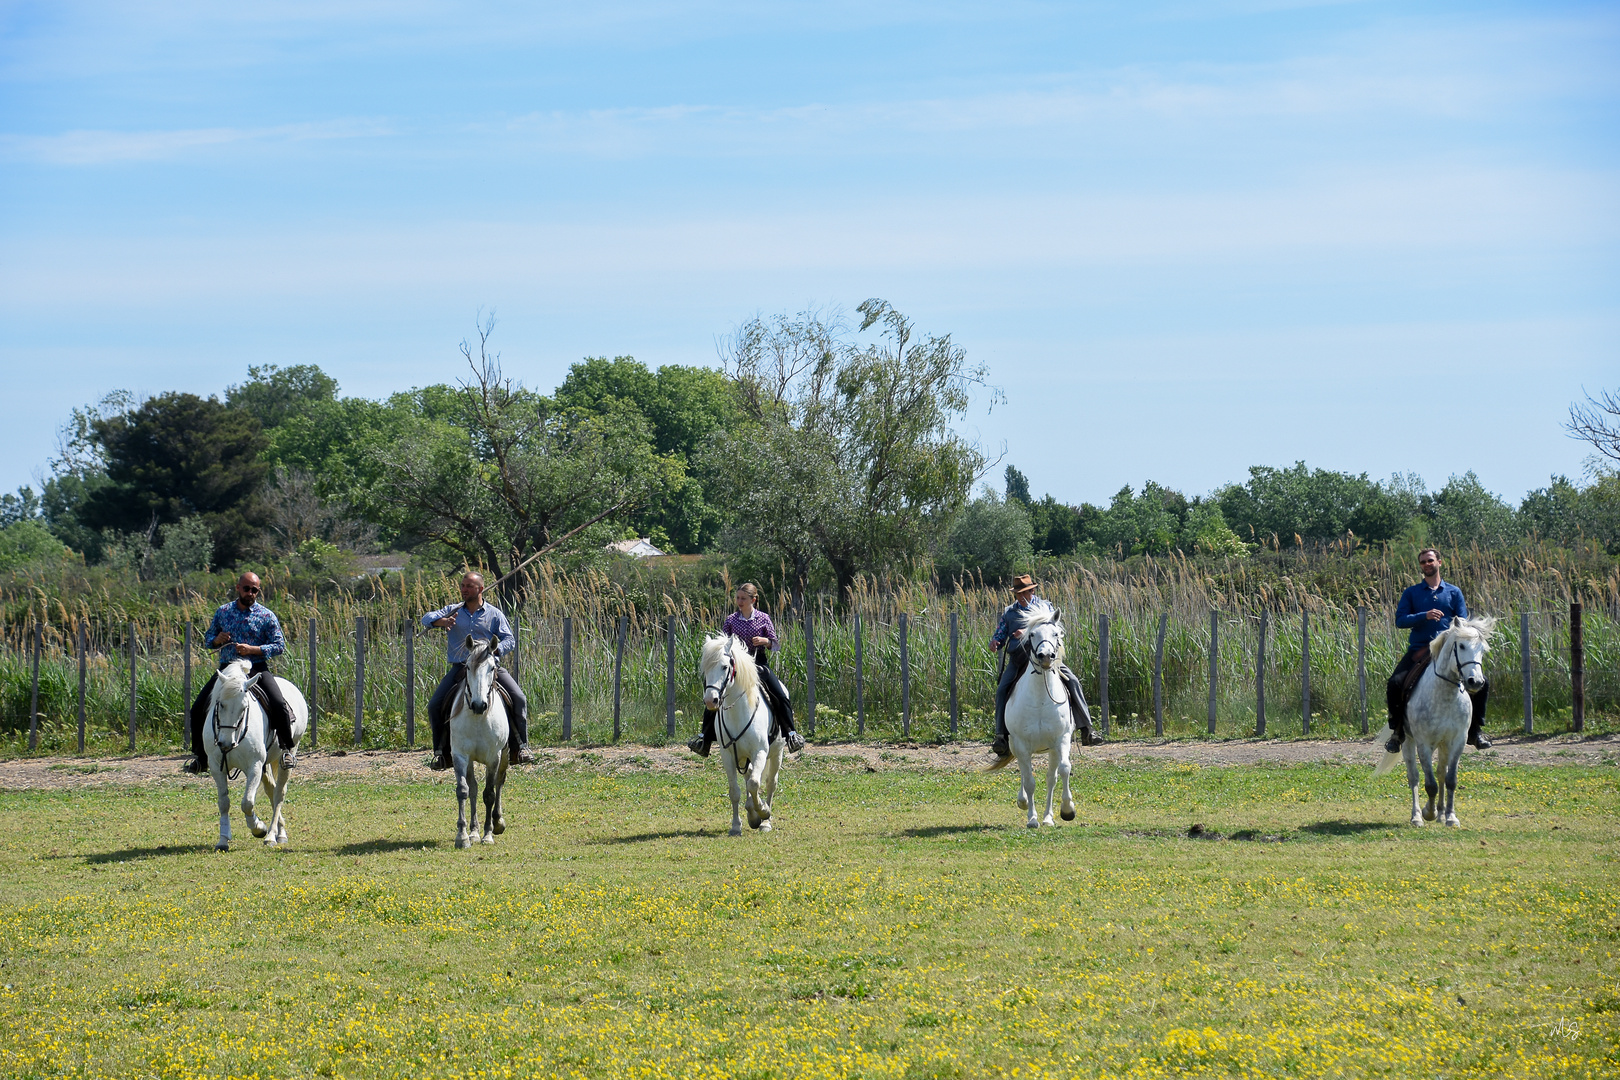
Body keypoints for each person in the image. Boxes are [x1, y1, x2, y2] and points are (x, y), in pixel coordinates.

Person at [184, 572, 297, 773]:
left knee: (279, 704)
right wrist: (217, 640)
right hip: (228, 669)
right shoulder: (223, 611)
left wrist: (253, 650)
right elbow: (208, 640)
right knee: (198, 708)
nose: (250, 593)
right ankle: (201, 757)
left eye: (255, 590)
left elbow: (279, 645)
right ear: (238, 588)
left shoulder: (266, 615)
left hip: (257, 669)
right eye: (247, 589)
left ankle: (286, 749)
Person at [420, 572, 535, 768]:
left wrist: (496, 650)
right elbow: (426, 618)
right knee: (434, 705)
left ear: (480, 589)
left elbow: (510, 639)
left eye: (468, 586)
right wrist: (441, 622)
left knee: (518, 698)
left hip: (489, 668)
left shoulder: (494, 614)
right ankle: (441, 754)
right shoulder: (452, 610)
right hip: (461, 669)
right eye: (462, 586)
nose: (463, 590)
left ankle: (521, 748)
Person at [1385, 547, 1490, 753]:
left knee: (1482, 683)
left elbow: (1463, 623)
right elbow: (1400, 620)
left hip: (1447, 650)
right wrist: (1423, 615)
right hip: (1420, 650)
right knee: (1395, 683)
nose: (1426, 565)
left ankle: (1475, 731)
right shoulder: (1412, 593)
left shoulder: (1453, 592)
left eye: (1430, 561)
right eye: (1423, 562)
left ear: (1439, 563)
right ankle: (1397, 732)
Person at [989, 573, 1104, 760]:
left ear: (1033, 590)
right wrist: (995, 642)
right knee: (1002, 689)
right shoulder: (1010, 613)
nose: (1022, 596)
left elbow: (1052, 629)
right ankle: (1001, 736)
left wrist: (1026, 631)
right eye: (1019, 593)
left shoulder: (1046, 607)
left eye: (1026, 592)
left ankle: (1087, 729)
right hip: (1019, 660)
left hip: (1048, 659)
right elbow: (1001, 633)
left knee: (1073, 681)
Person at [687, 583, 806, 757]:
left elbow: (775, 643)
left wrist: (765, 641)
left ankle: (791, 735)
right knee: (714, 695)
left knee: (780, 694)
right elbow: (723, 645)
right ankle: (704, 738)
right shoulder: (731, 620)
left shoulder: (763, 618)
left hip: (758, 665)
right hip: (735, 666)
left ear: (753, 600)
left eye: (743, 598)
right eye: (738, 598)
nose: (739, 601)